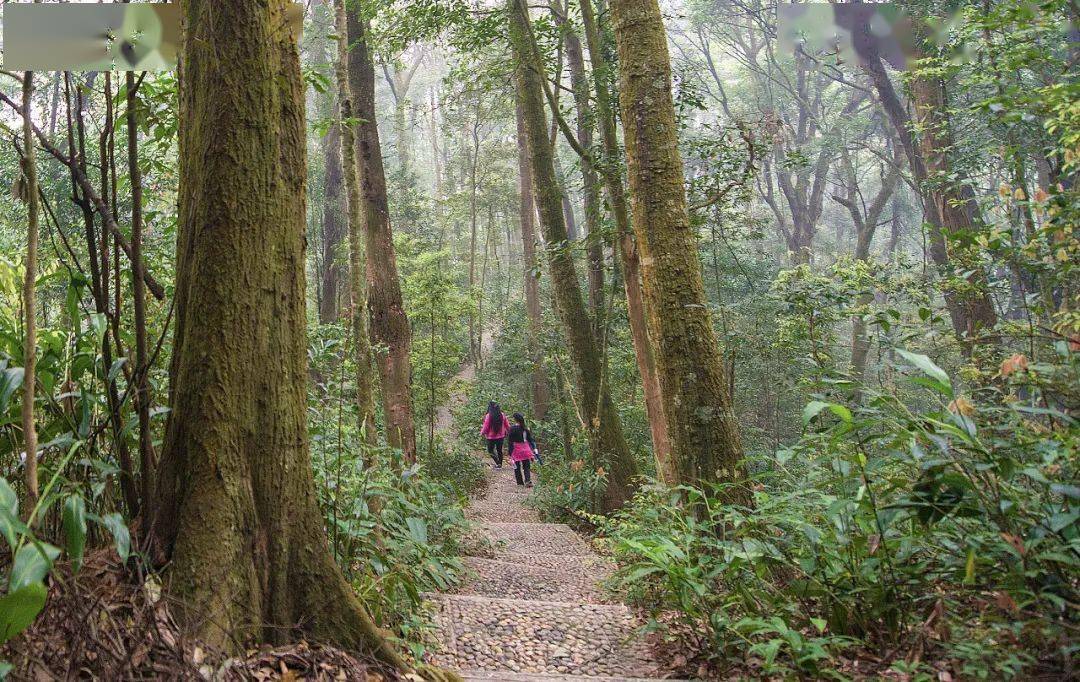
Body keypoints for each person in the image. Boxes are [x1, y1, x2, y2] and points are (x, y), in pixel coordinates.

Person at [506, 413, 539, 487]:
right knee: (526, 466)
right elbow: (530, 440)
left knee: (517, 467)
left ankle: (520, 483)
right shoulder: (525, 429)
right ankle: (528, 481)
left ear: (515, 419)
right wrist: (534, 449)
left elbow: (510, 441)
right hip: (526, 449)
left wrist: (510, 452)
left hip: (516, 450)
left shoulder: (512, 428)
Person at [480, 401, 511, 468]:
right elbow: (507, 425)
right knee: (499, 450)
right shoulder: (502, 415)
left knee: (490, 450)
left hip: (491, 437)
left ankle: (498, 463)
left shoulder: (488, 416)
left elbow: (486, 426)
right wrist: (510, 431)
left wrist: (482, 433)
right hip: (501, 436)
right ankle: (500, 464)